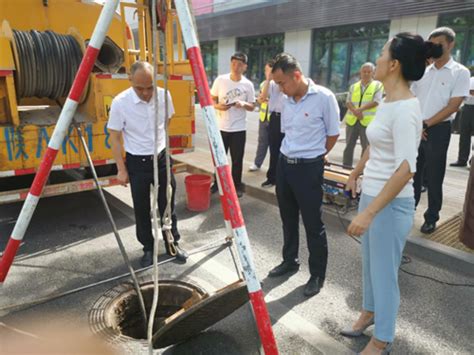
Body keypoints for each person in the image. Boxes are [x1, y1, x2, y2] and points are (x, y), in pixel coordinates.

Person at [342, 33, 442, 354]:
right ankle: (369, 312)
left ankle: (382, 337)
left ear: (394, 64)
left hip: (390, 204)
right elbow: (374, 143)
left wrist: (370, 212)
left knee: (385, 274)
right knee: (371, 266)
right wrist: (356, 172)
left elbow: (406, 169)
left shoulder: (407, 110)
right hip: (372, 195)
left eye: (383, 54)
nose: (379, 58)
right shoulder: (388, 101)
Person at [267, 53, 340, 298]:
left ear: (296, 76)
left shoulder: (324, 98)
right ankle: (290, 260)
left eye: (282, 83)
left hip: (309, 168)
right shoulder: (286, 99)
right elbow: (288, 133)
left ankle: (317, 274)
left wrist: (318, 154)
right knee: (288, 218)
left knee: (312, 223)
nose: (280, 88)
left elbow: (332, 134)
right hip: (284, 165)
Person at [108, 61, 188, 267]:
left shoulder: (164, 95)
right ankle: (148, 248)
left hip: (161, 159)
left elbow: (167, 122)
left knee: (167, 204)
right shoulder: (120, 102)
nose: (145, 93)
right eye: (140, 88)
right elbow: (115, 137)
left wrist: (160, 145)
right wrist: (121, 169)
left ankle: (172, 243)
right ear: (130, 81)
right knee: (142, 209)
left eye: (149, 87)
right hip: (137, 162)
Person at [412, 27, 471, 234]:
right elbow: (412, 98)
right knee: (412, 172)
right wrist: (417, 125)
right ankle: (409, 209)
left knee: (435, 175)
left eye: (439, 44)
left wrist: (426, 124)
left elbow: (453, 106)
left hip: (438, 129)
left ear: (451, 44)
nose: (435, 48)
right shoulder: (423, 71)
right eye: (432, 44)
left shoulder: (460, 72)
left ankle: (431, 217)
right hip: (416, 129)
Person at [210, 52, 256, 197]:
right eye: (234, 63)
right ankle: (217, 184)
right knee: (219, 158)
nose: (236, 67)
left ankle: (236, 186)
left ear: (245, 67)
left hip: (239, 128)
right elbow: (211, 100)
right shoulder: (220, 80)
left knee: (237, 160)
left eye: (240, 64)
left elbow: (253, 106)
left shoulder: (248, 85)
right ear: (231, 64)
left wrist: (243, 104)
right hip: (221, 127)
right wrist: (218, 106)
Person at [343, 62, 383, 168]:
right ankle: (346, 168)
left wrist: (359, 110)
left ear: (373, 73)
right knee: (348, 146)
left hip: (367, 122)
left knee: (366, 148)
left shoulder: (378, 86)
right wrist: (356, 112)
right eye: (364, 71)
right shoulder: (353, 86)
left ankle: (362, 170)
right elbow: (348, 101)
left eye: (369, 72)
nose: (366, 74)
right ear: (360, 72)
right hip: (352, 121)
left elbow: (376, 101)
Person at [259, 58, 286, 188]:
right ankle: (271, 178)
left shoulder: (283, 82)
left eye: (270, 71)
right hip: (274, 118)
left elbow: (283, 91)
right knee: (274, 150)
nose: (268, 73)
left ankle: (282, 179)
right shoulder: (269, 84)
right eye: (266, 71)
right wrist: (269, 80)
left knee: (285, 151)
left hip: (286, 118)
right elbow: (262, 98)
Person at [249, 61, 273, 172]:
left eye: (268, 70)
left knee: (274, 145)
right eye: (265, 70)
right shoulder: (264, 83)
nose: (266, 72)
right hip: (263, 118)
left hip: (275, 119)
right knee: (262, 142)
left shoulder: (279, 84)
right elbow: (260, 99)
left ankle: (273, 169)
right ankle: (257, 163)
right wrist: (261, 99)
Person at [450, 76, 474, 167]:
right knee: (464, 135)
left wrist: (468, 93)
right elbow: (461, 93)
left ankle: (473, 161)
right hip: (467, 108)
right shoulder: (470, 79)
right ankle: (462, 159)